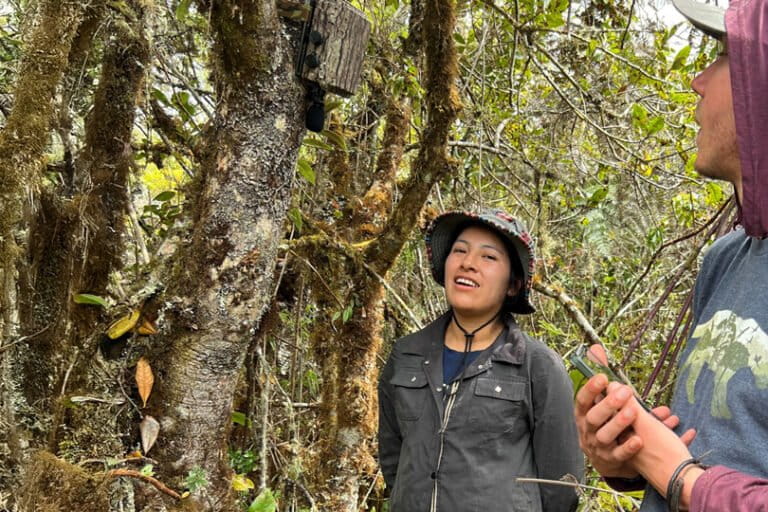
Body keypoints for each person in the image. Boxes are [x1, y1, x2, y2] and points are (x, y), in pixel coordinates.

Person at [574, 0, 768, 510]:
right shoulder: (726, 257)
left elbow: (688, 477)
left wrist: (682, 477)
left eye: (724, 56)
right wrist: (630, 454)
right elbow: (719, 450)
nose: (697, 82)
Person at [378, 209, 583, 512]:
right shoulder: (407, 355)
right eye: (459, 250)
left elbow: (561, 487)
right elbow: (395, 459)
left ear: (513, 284)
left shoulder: (538, 366)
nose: (468, 263)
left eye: (488, 257)